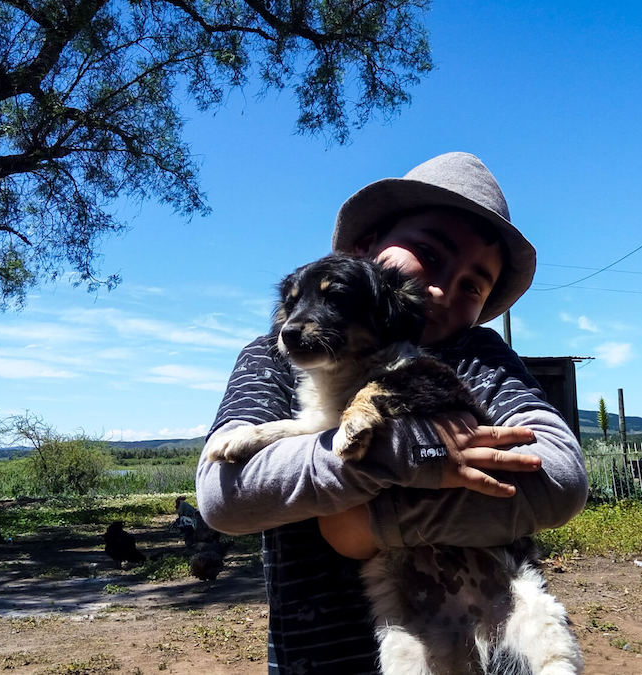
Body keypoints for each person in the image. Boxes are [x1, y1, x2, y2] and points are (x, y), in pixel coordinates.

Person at [196, 152, 590, 674]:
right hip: (322, 656)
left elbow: (559, 477)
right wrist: (413, 457)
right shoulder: (279, 353)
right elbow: (225, 496)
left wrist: (368, 522)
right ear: (365, 252)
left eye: (474, 285)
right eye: (427, 252)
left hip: (488, 621)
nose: (441, 289)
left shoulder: (482, 358)